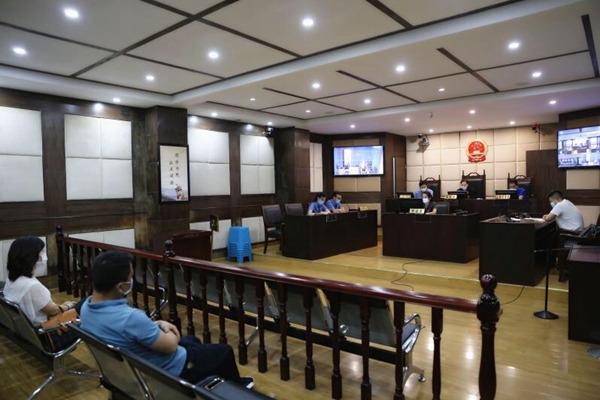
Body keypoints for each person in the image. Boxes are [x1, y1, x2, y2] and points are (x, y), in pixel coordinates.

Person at [80, 251, 253, 388]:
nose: (132, 281)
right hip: (166, 372)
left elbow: (131, 331)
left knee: (192, 341)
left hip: (129, 371)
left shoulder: (86, 308)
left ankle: (208, 380)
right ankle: (236, 389)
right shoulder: (130, 318)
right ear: (120, 287)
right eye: (130, 278)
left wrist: (157, 324)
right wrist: (169, 329)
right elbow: (170, 345)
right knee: (224, 351)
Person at [2, 237, 79, 350]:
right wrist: (68, 305)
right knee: (82, 307)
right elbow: (52, 311)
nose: (43, 256)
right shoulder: (32, 286)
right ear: (31, 257)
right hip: (45, 335)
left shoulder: (11, 279)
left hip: (25, 333)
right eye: (41, 252)